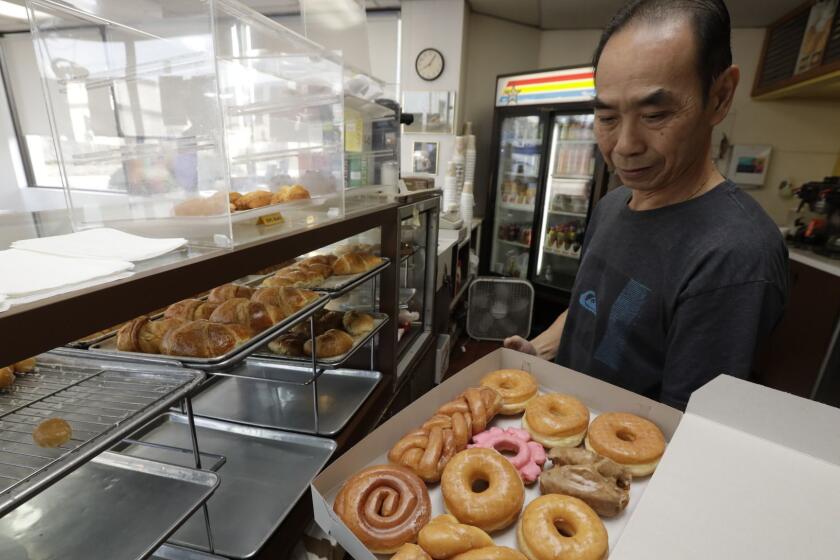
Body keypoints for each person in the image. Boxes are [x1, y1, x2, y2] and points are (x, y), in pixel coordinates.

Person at [504, 0, 788, 410]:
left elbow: (685, 428)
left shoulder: (735, 257)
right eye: (607, 118)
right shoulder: (614, 204)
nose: (624, 147)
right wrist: (539, 349)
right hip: (561, 426)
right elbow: (591, 310)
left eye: (655, 114)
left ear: (721, 97)